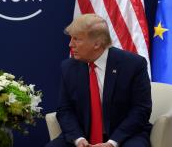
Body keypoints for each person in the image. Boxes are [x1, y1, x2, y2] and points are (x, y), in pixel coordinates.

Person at [46, 14, 152, 147]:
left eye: (76, 39)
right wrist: (78, 139)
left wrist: (112, 143)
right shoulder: (68, 67)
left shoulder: (133, 65)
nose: (70, 44)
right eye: (71, 38)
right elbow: (64, 109)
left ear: (96, 43)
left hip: (124, 135)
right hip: (83, 135)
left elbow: (141, 109)